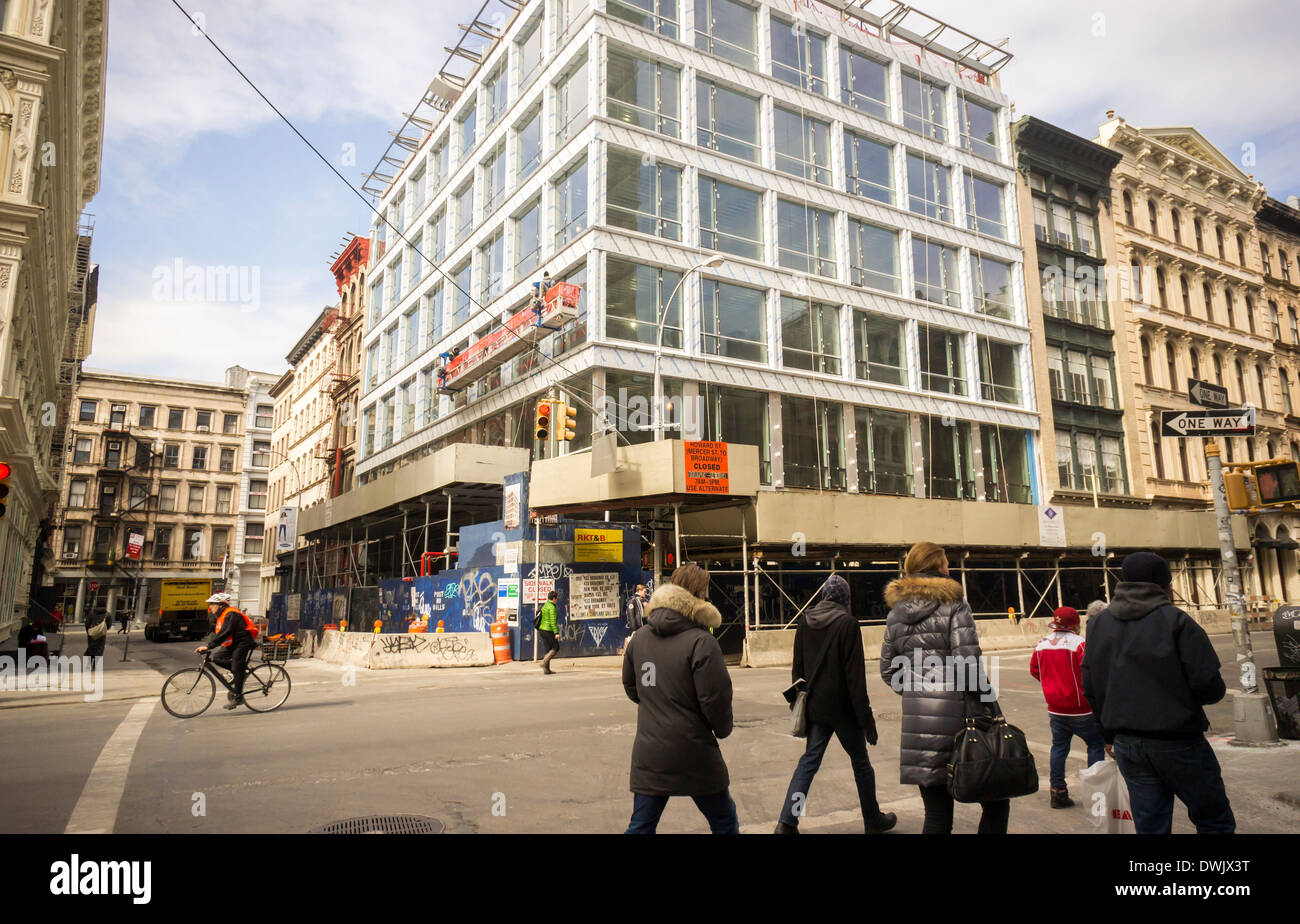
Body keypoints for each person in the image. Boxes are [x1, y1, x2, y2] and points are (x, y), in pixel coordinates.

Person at [1081, 551, 1235, 834]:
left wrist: (1107, 736)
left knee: (1150, 825)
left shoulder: (1097, 624)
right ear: (1164, 583)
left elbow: (1091, 686)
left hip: (1128, 744)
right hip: (1179, 741)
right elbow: (1210, 687)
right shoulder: (1177, 621)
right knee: (1213, 820)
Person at [880, 541, 1009, 835]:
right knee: (997, 800)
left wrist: (918, 692)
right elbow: (968, 666)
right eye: (947, 563)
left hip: (919, 728)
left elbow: (888, 670)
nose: (950, 568)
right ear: (938, 566)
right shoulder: (955, 603)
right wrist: (989, 703)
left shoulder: (895, 613)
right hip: (961, 722)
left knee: (937, 815)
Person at [621, 563, 737, 834]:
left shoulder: (640, 638)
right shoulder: (701, 642)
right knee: (724, 821)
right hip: (695, 753)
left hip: (650, 754)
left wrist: (657, 703)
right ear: (699, 595)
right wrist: (722, 729)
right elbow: (715, 699)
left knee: (640, 826)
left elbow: (631, 686)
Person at [776, 574, 896, 835]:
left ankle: (787, 821)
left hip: (817, 709)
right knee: (861, 763)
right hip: (844, 711)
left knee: (808, 763)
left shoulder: (805, 622)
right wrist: (867, 721)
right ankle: (872, 819)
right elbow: (855, 680)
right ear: (845, 599)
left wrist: (799, 705)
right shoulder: (848, 625)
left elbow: (797, 670)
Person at [1030, 606, 1106, 809]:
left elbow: (1035, 670)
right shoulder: (1080, 644)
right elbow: (1090, 673)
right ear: (1076, 624)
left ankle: (1058, 792)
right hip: (1082, 708)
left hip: (1056, 708)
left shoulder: (1041, 643)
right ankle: (1095, 794)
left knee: (1059, 748)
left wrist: (1052, 686)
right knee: (1096, 746)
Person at [195, 593, 259, 709]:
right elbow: (217, 632)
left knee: (236, 666)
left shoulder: (232, 614)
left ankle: (238, 698)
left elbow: (226, 632)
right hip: (233, 643)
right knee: (217, 658)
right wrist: (209, 644)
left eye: (212, 604)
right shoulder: (220, 616)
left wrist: (209, 646)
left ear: (220, 605)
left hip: (243, 642)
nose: (210, 607)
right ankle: (240, 673)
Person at [537, 591, 560, 675]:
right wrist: (556, 632)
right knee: (556, 647)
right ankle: (544, 662)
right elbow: (553, 622)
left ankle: (546, 670)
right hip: (548, 630)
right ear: (554, 598)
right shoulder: (552, 607)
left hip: (542, 629)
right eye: (556, 598)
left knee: (547, 649)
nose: (557, 600)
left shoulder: (545, 605)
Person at [620, 584, 646, 655]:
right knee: (635, 642)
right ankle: (630, 654)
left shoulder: (642, 600)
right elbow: (631, 615)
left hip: (643, 626)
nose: (645, 593)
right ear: (639, 591)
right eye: (644, 591)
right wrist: (634, 628)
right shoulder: (632, 600)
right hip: (638, 626)